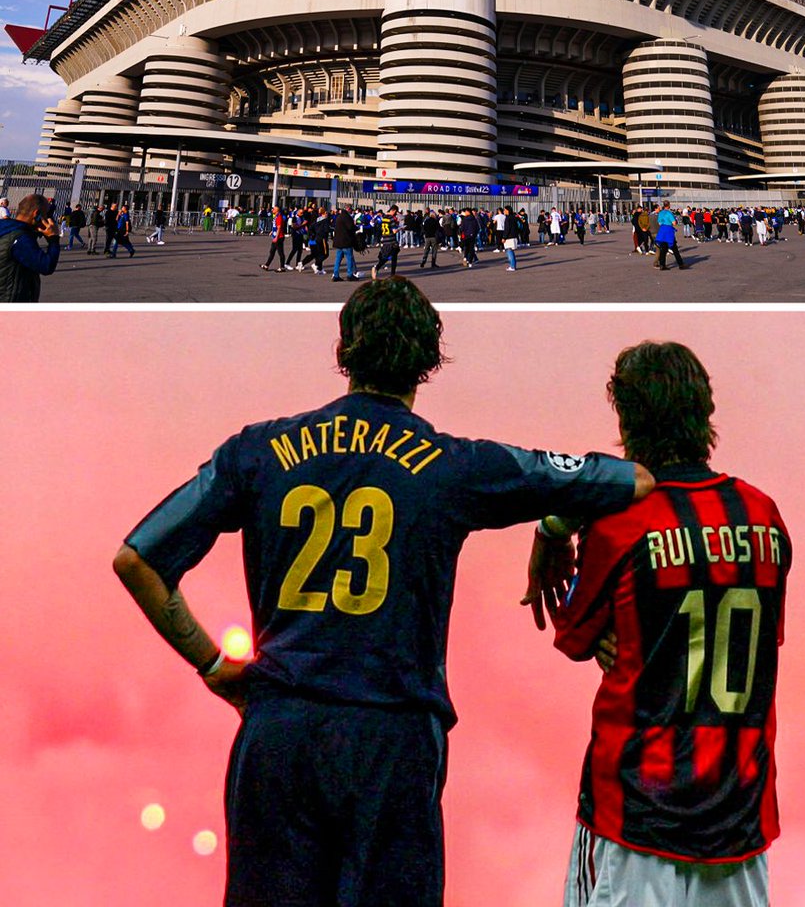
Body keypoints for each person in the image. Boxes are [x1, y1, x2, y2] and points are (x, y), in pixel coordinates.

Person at [113, 278, 653, 907]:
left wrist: (212, 664)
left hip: (281, 730)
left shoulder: (256, 452)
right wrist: (555, 528)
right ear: (429, 360)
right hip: (392, 739)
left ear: (344, 350)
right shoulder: (459, 465)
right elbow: (627, 480)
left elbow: (138, 558)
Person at [536, 341, 791, 907]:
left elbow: (573, 636)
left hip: (636, 813)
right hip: (739, 813)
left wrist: (559, 529)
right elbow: (762, 639)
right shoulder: (763, 513)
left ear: (626, 421)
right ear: (704, 413)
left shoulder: (622, 523)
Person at [0, 193, 61, 301]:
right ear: (36, 214)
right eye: (47, 214)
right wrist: (53, 239)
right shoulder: (20, 238)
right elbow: (46, 266)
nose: (48, 218)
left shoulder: (7, 229)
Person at [330, 205, 361, 282]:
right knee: (349, 258)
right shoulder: (347, 217)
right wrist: (356, 227)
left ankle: (335, 275)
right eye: (351, 210)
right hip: (346, 241)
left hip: (338, 242)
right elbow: (350, 227)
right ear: (348, 209)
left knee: (338, 259)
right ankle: (350, 275)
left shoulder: (339, 217)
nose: (352, 211)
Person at [372, 204, 401, 280]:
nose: (396, 214)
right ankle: (378, 267)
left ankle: (390, 273)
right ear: (393, 210)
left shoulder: (384, 217)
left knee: (392, 255)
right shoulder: (392, 218)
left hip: (385, 239)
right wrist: (400, 228)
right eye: (396, 212)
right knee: (392, 256)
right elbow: (394, 231)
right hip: (391, 240)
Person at [654, 201, 686, 271]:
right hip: (668, 230)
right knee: (674, 249)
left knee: (663, 249)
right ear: (669, 206)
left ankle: (662, 265)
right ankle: (680, 264)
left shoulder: (660, 213)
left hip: (662, 230)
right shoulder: (669, 213)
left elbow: (659, 223)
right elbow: (674, 223)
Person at [260, 205, 287, 272]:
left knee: (280, 252)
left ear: (277, 210)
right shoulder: (276, 217)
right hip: (276, 236)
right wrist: (272, 231)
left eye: (273, 209)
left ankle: (282, 267)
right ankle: (266, 265)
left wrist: (276, 237)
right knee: (272, 252)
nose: (272, 210)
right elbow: (276, 226)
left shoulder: (279, 217)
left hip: (279, 237)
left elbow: (279, 227)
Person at [502, 205, 520, 271]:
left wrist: (504, 237)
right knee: (511, 251)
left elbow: (507, 229)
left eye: (504, 210)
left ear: (507, 210)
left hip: (509, 237)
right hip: (514, 236)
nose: (504, 211)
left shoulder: (508, 218)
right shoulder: (514, 217)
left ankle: (512, 266)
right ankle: (513, 265)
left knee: (509, 251)